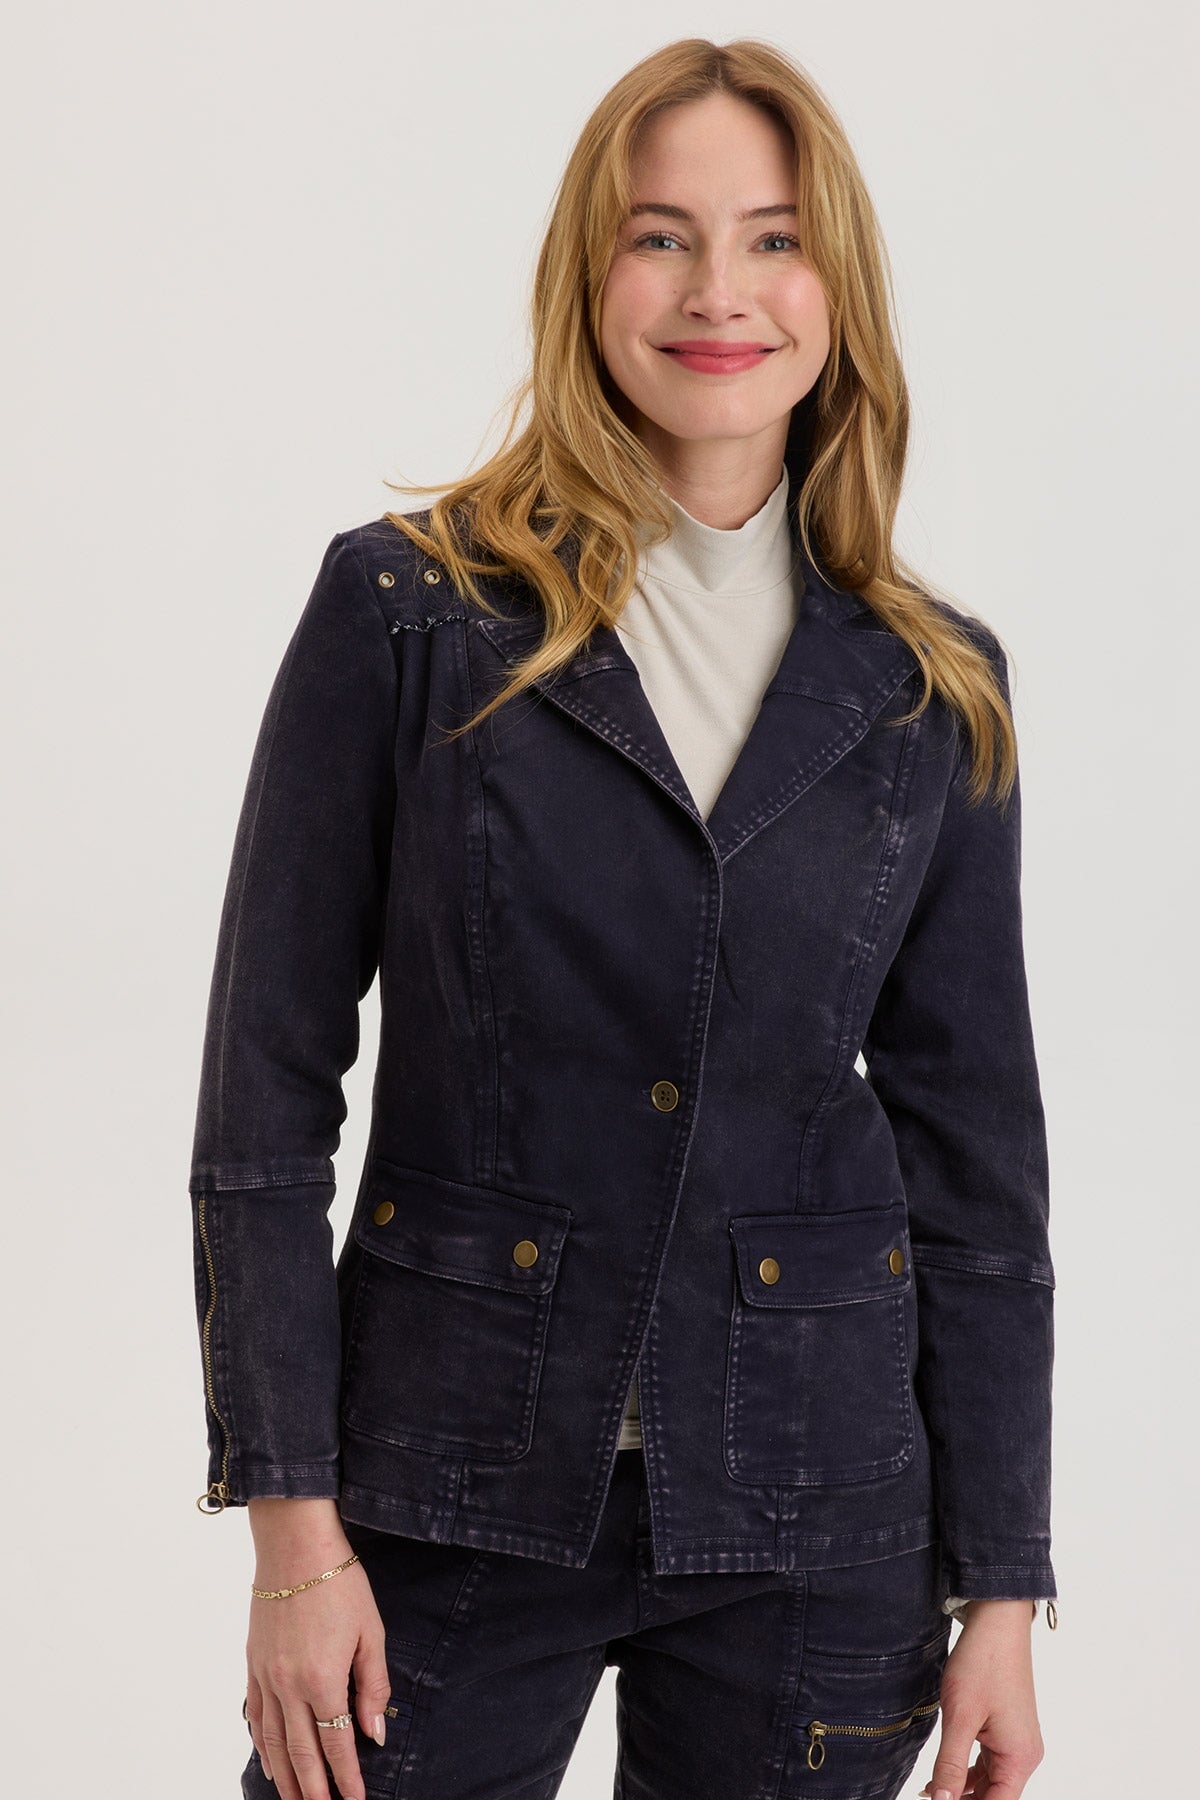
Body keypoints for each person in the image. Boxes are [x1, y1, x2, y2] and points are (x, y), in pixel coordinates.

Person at [188, 37, 1059, 1800]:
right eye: (662, 237)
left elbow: (979, 1164)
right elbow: (263, 1105)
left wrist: (1004, 1587)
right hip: (448, 1480)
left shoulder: (929, 689)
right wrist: (292, 1534)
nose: (719, 291)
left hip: (817, 1509)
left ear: (838, 290)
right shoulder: (412, 613)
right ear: (588, 277)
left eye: (774, 239)